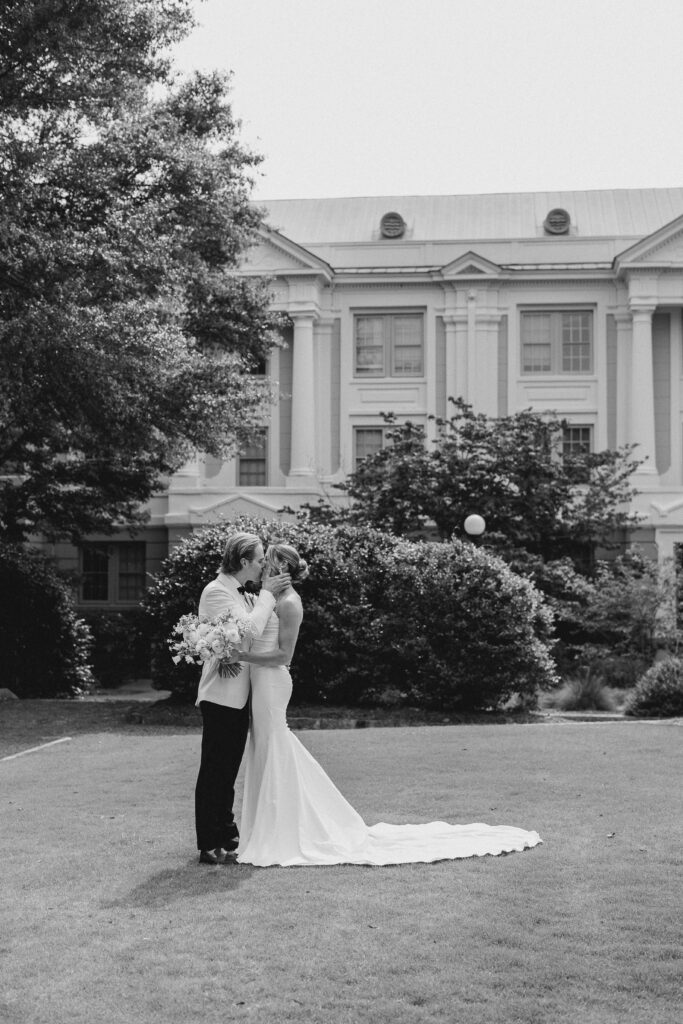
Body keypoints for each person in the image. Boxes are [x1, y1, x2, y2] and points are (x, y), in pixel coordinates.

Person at [234, 542, 542, 867]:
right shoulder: (269, 599)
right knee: (268, 749)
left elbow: (285, 656)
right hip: (259, 682)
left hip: (272, 683)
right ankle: (270, 827)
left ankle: (287, 828)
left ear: (282, 568)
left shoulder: (291, 603)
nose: (263, 565)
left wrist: (241, 656)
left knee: (276, 747)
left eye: (269, 561)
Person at [194, 532, 291, 865]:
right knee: (215, 771)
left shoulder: (245, 595)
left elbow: (254, 635)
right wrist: (266, 596)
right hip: (221, 695)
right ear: (244, 561)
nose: (264, 563)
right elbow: (247, 632)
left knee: (229, 770)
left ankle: (227, 835)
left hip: (243, 695)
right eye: (260, 558)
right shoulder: (216, 592)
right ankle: (209, 843)